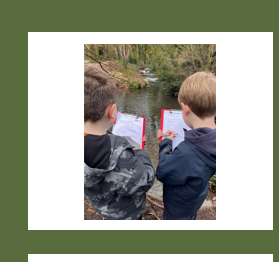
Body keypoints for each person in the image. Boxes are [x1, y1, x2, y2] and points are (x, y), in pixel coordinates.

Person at [84, 65, 155, 220]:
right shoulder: (122, 157)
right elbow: (146, 180)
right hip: (126, 214)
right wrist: (139, 152)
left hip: (102, 207)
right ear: (112, 111)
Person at [156, 72, 217, 220]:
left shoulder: (187, 152)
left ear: (185, 108)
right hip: (194, 200)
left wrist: (165, 143)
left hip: (177, 208)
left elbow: (163, 172)